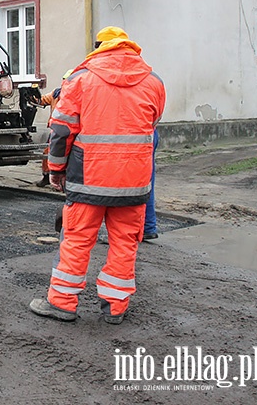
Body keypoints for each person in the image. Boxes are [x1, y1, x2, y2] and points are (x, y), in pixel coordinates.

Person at [29, 26, 165, 324]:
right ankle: (116, 308)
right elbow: (152, 122)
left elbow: (62, 131)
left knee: (77, 240)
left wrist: (55, 170)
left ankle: (62, 303)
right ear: (130, 47)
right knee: (124, 244)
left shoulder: (80, 79)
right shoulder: (153, 82)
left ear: (99, 47)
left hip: (88, 178)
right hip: (133, 183)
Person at [34, 69, 74, 188]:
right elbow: (42, 100)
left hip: (71, 131)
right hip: (56, 130)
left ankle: (64, 181)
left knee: (67, 156)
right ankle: (46, 177)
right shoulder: (56, 93)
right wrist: (33, 97)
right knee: (48, 152)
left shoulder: (76, 95)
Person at [142, 129, 160, 240]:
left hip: (131, 134)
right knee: (146, 181)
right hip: (147, 133)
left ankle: (120, 233)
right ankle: (148, 226)